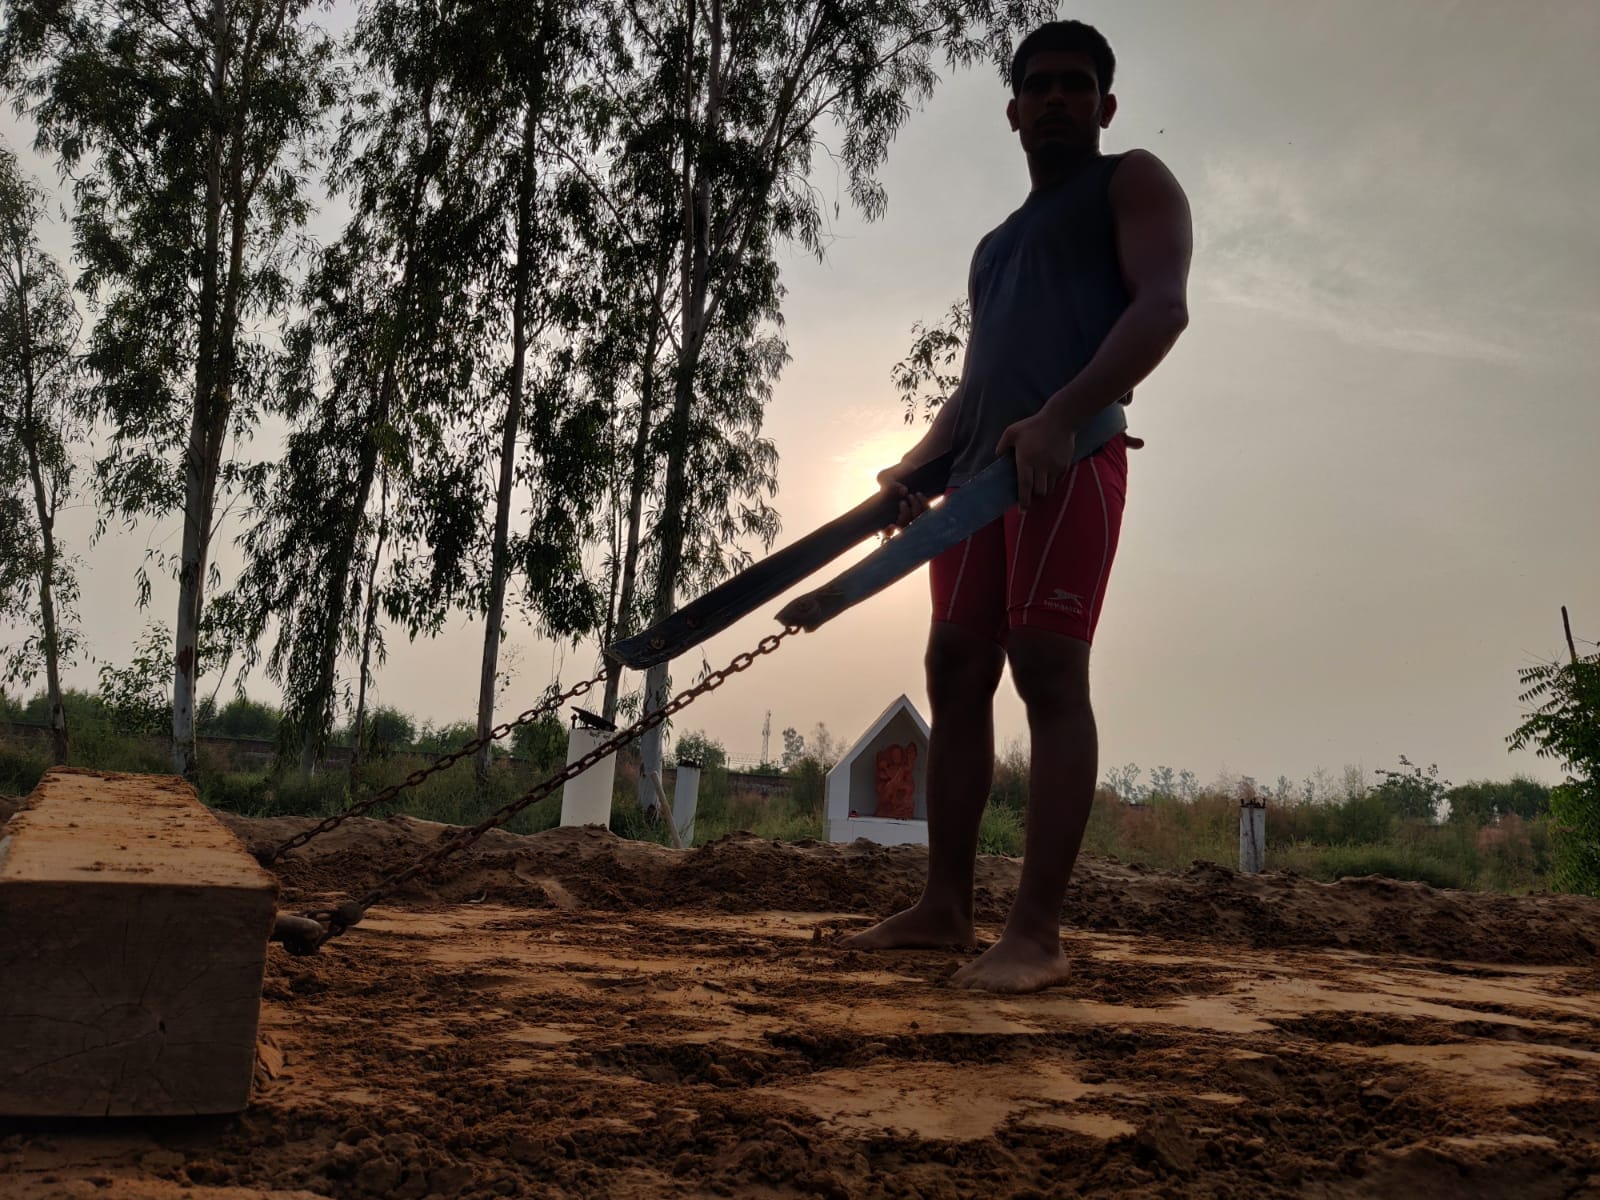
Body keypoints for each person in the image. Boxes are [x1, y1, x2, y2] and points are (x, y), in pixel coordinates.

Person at [846, 20, 1193, 993]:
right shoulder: (995, 249)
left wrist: (1061, 416)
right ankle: (943, 908)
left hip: (1070, 458)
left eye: (1074, 86)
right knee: (956, 666)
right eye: (1037, 86)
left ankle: (1034, 934)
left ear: (1104, 106)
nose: (1054, 100)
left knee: (1047, 667)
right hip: (978, 483)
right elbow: (975, 386)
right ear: (1010, 111)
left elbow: (1160, 306)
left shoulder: (1130, 182)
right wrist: (915, 468)